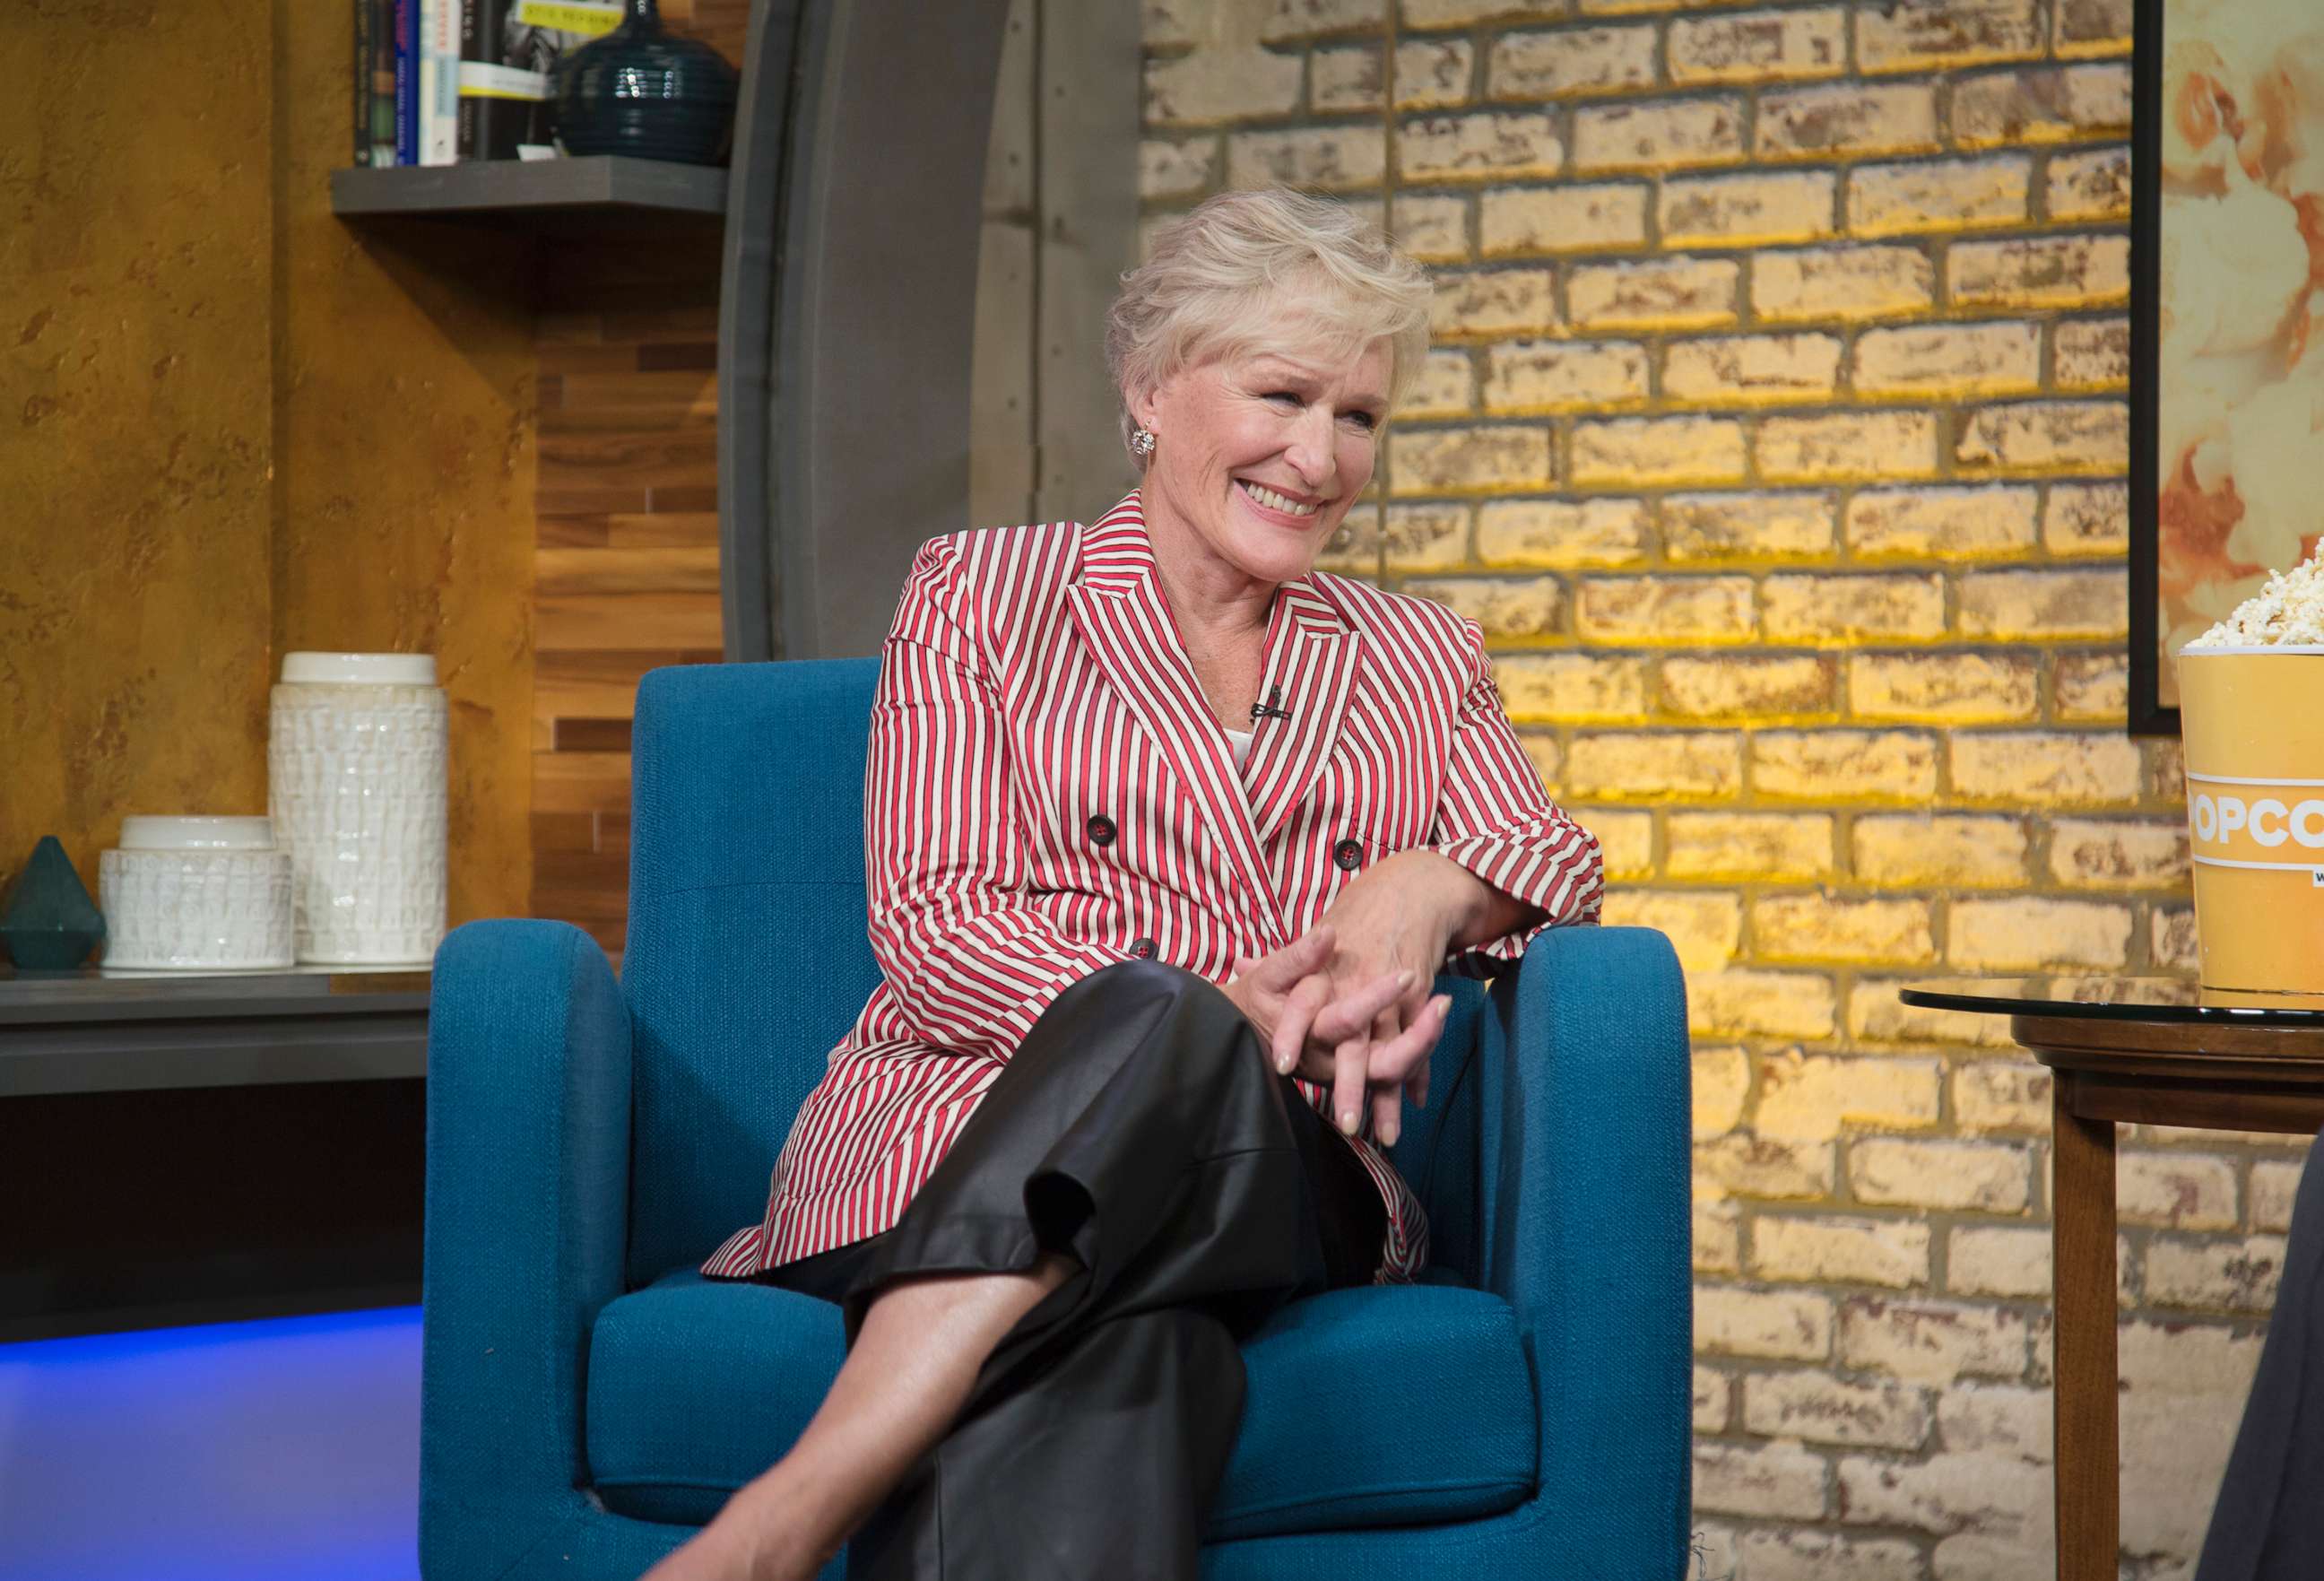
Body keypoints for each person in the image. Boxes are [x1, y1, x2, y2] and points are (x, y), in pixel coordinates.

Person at [646, 187, 1605, 1581]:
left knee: (1187, 1038)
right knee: (1139, 1356)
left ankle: (802, 1498)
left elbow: (1560, 865)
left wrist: (1431, 881)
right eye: (1281, 394)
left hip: (1284, 1170)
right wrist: (1205, 1007)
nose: (1320, 456)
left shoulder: (1418, 654)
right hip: (945, 1146)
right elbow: (935, 926)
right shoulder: (982, 593)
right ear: (1152, 387)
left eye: (1360, 417)